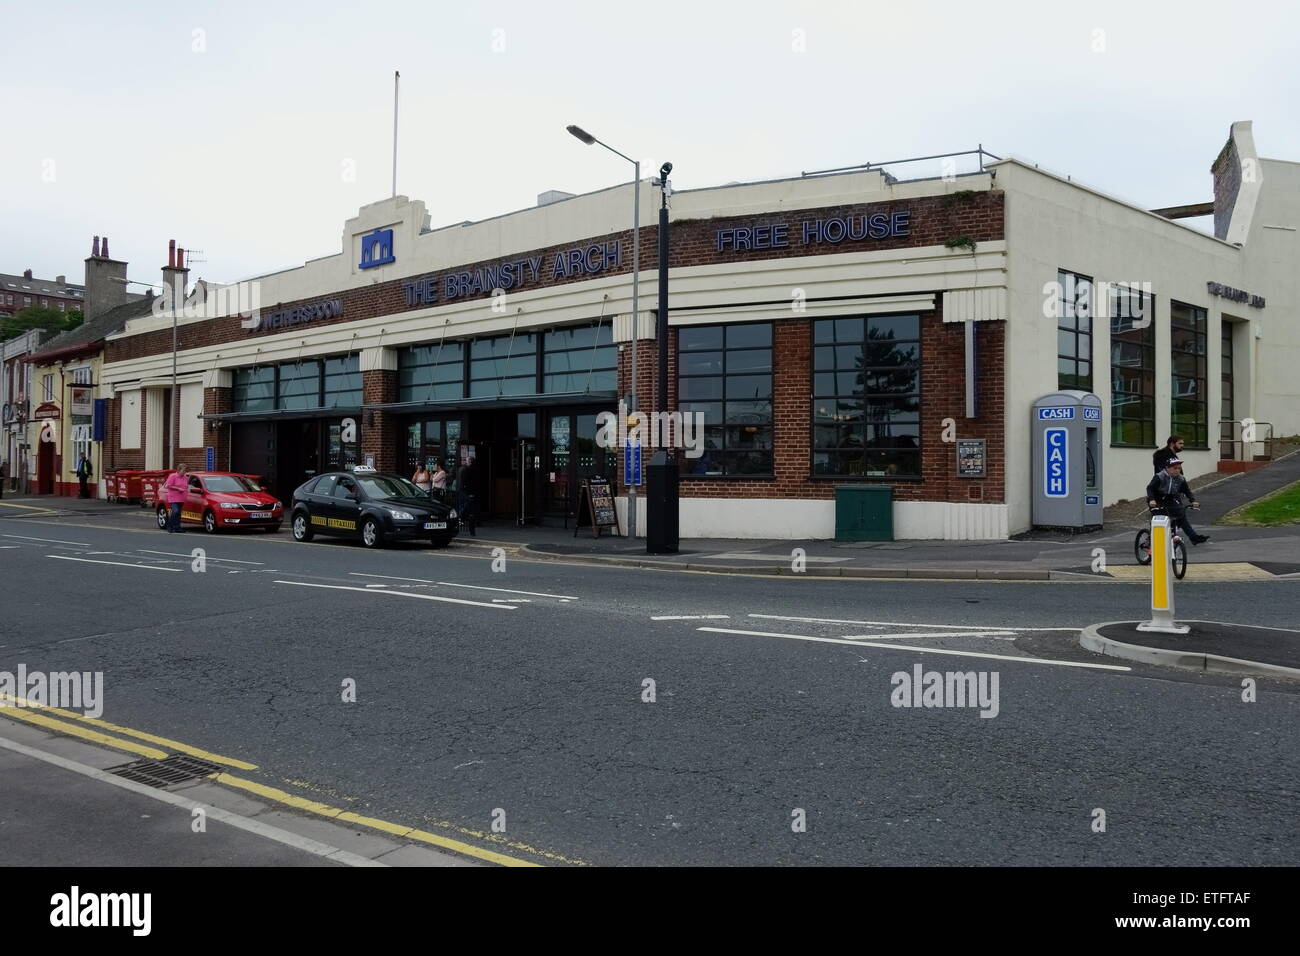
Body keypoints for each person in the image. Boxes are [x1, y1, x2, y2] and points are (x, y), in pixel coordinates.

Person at [1146, 457, 1209, 545]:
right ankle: (1152, 539)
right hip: (1157, 499)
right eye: (1174, 468)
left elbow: (1186, 490)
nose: (1177, 470)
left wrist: (1192, 500)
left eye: (1179, 468)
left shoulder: (1181, 478)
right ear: (1167, 468)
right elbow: (1150, 488)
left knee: (1181, 515)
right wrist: (1152, 500)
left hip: (1170, 498)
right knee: (1159, 518)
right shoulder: (1160, 476)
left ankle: (1193, 537)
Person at [162, 464, 189, 533]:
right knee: (175, 511)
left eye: (185, 471)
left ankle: (177, 527)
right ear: (179, 470)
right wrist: (178, 488)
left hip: (182, 497)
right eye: (183, 470)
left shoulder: (185, 478)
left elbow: (186, 487)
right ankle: (170, 525)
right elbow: (168, 485)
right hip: (173, 497)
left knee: (178, 513)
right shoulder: (173, 476)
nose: (184, 472)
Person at [456, 456, 477, 536]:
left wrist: (464, 488)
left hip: (466, 492)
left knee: (465, 506)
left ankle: (460, 517)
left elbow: (464, 481)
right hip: (472, 492)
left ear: (470, 461)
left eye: (467, 460)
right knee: (471, 512)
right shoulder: (473, 469)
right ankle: (472, 531)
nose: (466, 462)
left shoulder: (466, 469)